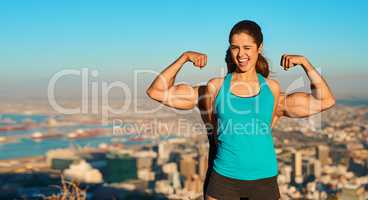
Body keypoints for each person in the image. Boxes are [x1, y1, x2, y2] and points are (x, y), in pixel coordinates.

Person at [146, 20, 335, 200]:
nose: (240, 54)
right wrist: (184, 57)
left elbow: (325, 100)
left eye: (247, 47)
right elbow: (157, 91)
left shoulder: (272, 90)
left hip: (265, 180)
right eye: (235, 47)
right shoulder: (216, 87)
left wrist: (305, 63)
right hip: (223, 179)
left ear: (259, 48)